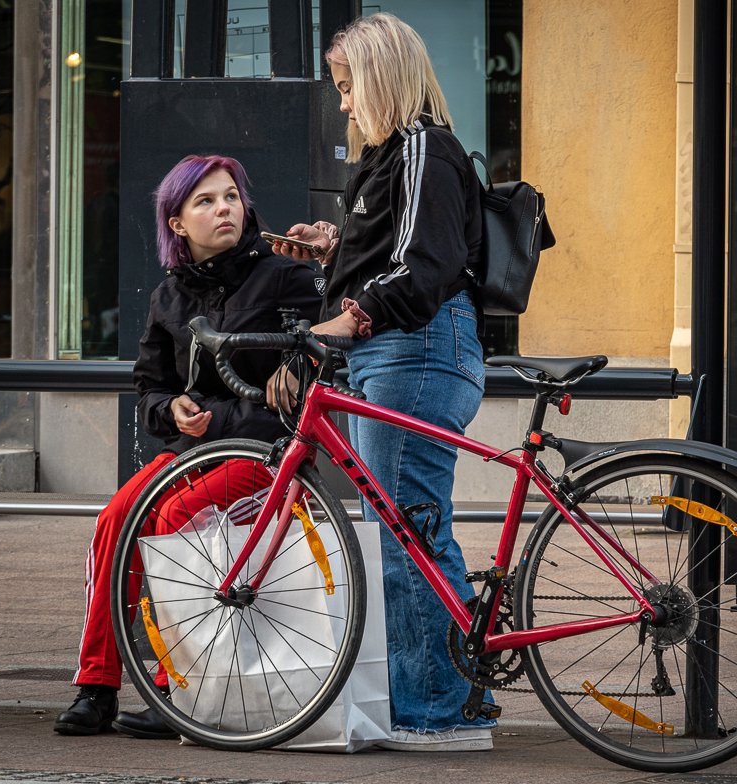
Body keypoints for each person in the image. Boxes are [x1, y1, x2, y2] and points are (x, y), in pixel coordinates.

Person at [270, 13, 493, 753]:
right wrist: (334, 250)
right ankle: (443, 702)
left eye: (346, 86)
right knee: (409, 528)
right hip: (403, 350)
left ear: (381, 76)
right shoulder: (396, 157)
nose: (342, 104)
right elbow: (405, 246)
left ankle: (440, 713)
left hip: (414, 348)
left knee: (410, 532)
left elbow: (424, 263)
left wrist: (355, 313)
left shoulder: (425, 146)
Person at [53, 154, 325, 738]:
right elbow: (150, 386)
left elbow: (306, 385)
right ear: (177, 223)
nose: (223, 208)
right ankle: (96, 686)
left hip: (267, 456)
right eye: (204, 201)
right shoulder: (169, 297)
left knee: (176, 517)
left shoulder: (285, 276)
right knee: (115, 520)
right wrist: (170, 408)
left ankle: (182, 689)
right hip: (193, 451)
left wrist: (217, 414)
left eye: (230, 196)